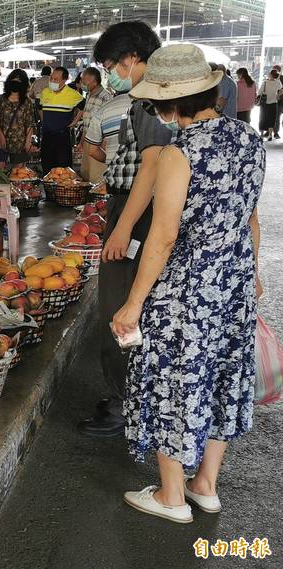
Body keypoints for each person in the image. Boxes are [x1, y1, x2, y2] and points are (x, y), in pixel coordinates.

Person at [113, 43, 264, 523]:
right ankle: (206, 485)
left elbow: (163, 236)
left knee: (175, 377)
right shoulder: (249, 140)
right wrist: (252, 274)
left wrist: (133, 304)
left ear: (170, 103)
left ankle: (172, 496)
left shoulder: (180, 152)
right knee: (222, 375)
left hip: (188, 288)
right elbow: (250, 218)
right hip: (234, 280)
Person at [79, 20, 171, 438]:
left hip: (140, 213)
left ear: (132, 59)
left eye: (111, 63)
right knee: (133, 306)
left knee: (120, 307)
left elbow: (151, 166)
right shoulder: (157, 99)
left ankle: (125, 405)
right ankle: (131, 397)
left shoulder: (148, 101)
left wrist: (124, 228)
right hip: (137, 209)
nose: (110, 71)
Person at [39, 66, 84, 172]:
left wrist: (75, 121)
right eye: (51, 78)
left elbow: (84, 107)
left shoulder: (72, 94)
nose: (52, 81)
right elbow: (40, 108)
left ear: (64, 80)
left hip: (62, 137)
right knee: (46, 167)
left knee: (63, 169)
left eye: (56, 79)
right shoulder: (45, 92)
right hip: (46, 136)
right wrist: (44, 120)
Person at [0, 69, 36, 168]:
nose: (15, 84)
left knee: (18, 175)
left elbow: (29, 124)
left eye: (19, 82)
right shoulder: (0, 100)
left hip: (20, 144)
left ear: (24, 84)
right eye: (13, 81)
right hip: (2, 142)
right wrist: (0, 136)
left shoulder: (27, 102)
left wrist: (28, 143)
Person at [78, 67, 112, 181]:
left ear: (95, 81)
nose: (82, 83)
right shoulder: (89, 95)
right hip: (88, 139)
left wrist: (103, 144)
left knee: (96, 174)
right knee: (86, 173)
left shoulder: (106, 97)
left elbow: (107, 122)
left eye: (84, 81)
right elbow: (87, 121)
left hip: (99, 142)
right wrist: (82, 140)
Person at [258, 69, 281, 139]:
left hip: (264, 103)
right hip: (274, 103)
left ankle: (261, 134)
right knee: (272, 119)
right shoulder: (278, 82)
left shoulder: (265, 82)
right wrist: (278, 95)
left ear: (271, 75)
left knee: (262, 117)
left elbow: (260, 92)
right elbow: (281, 90)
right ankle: (270, 135)